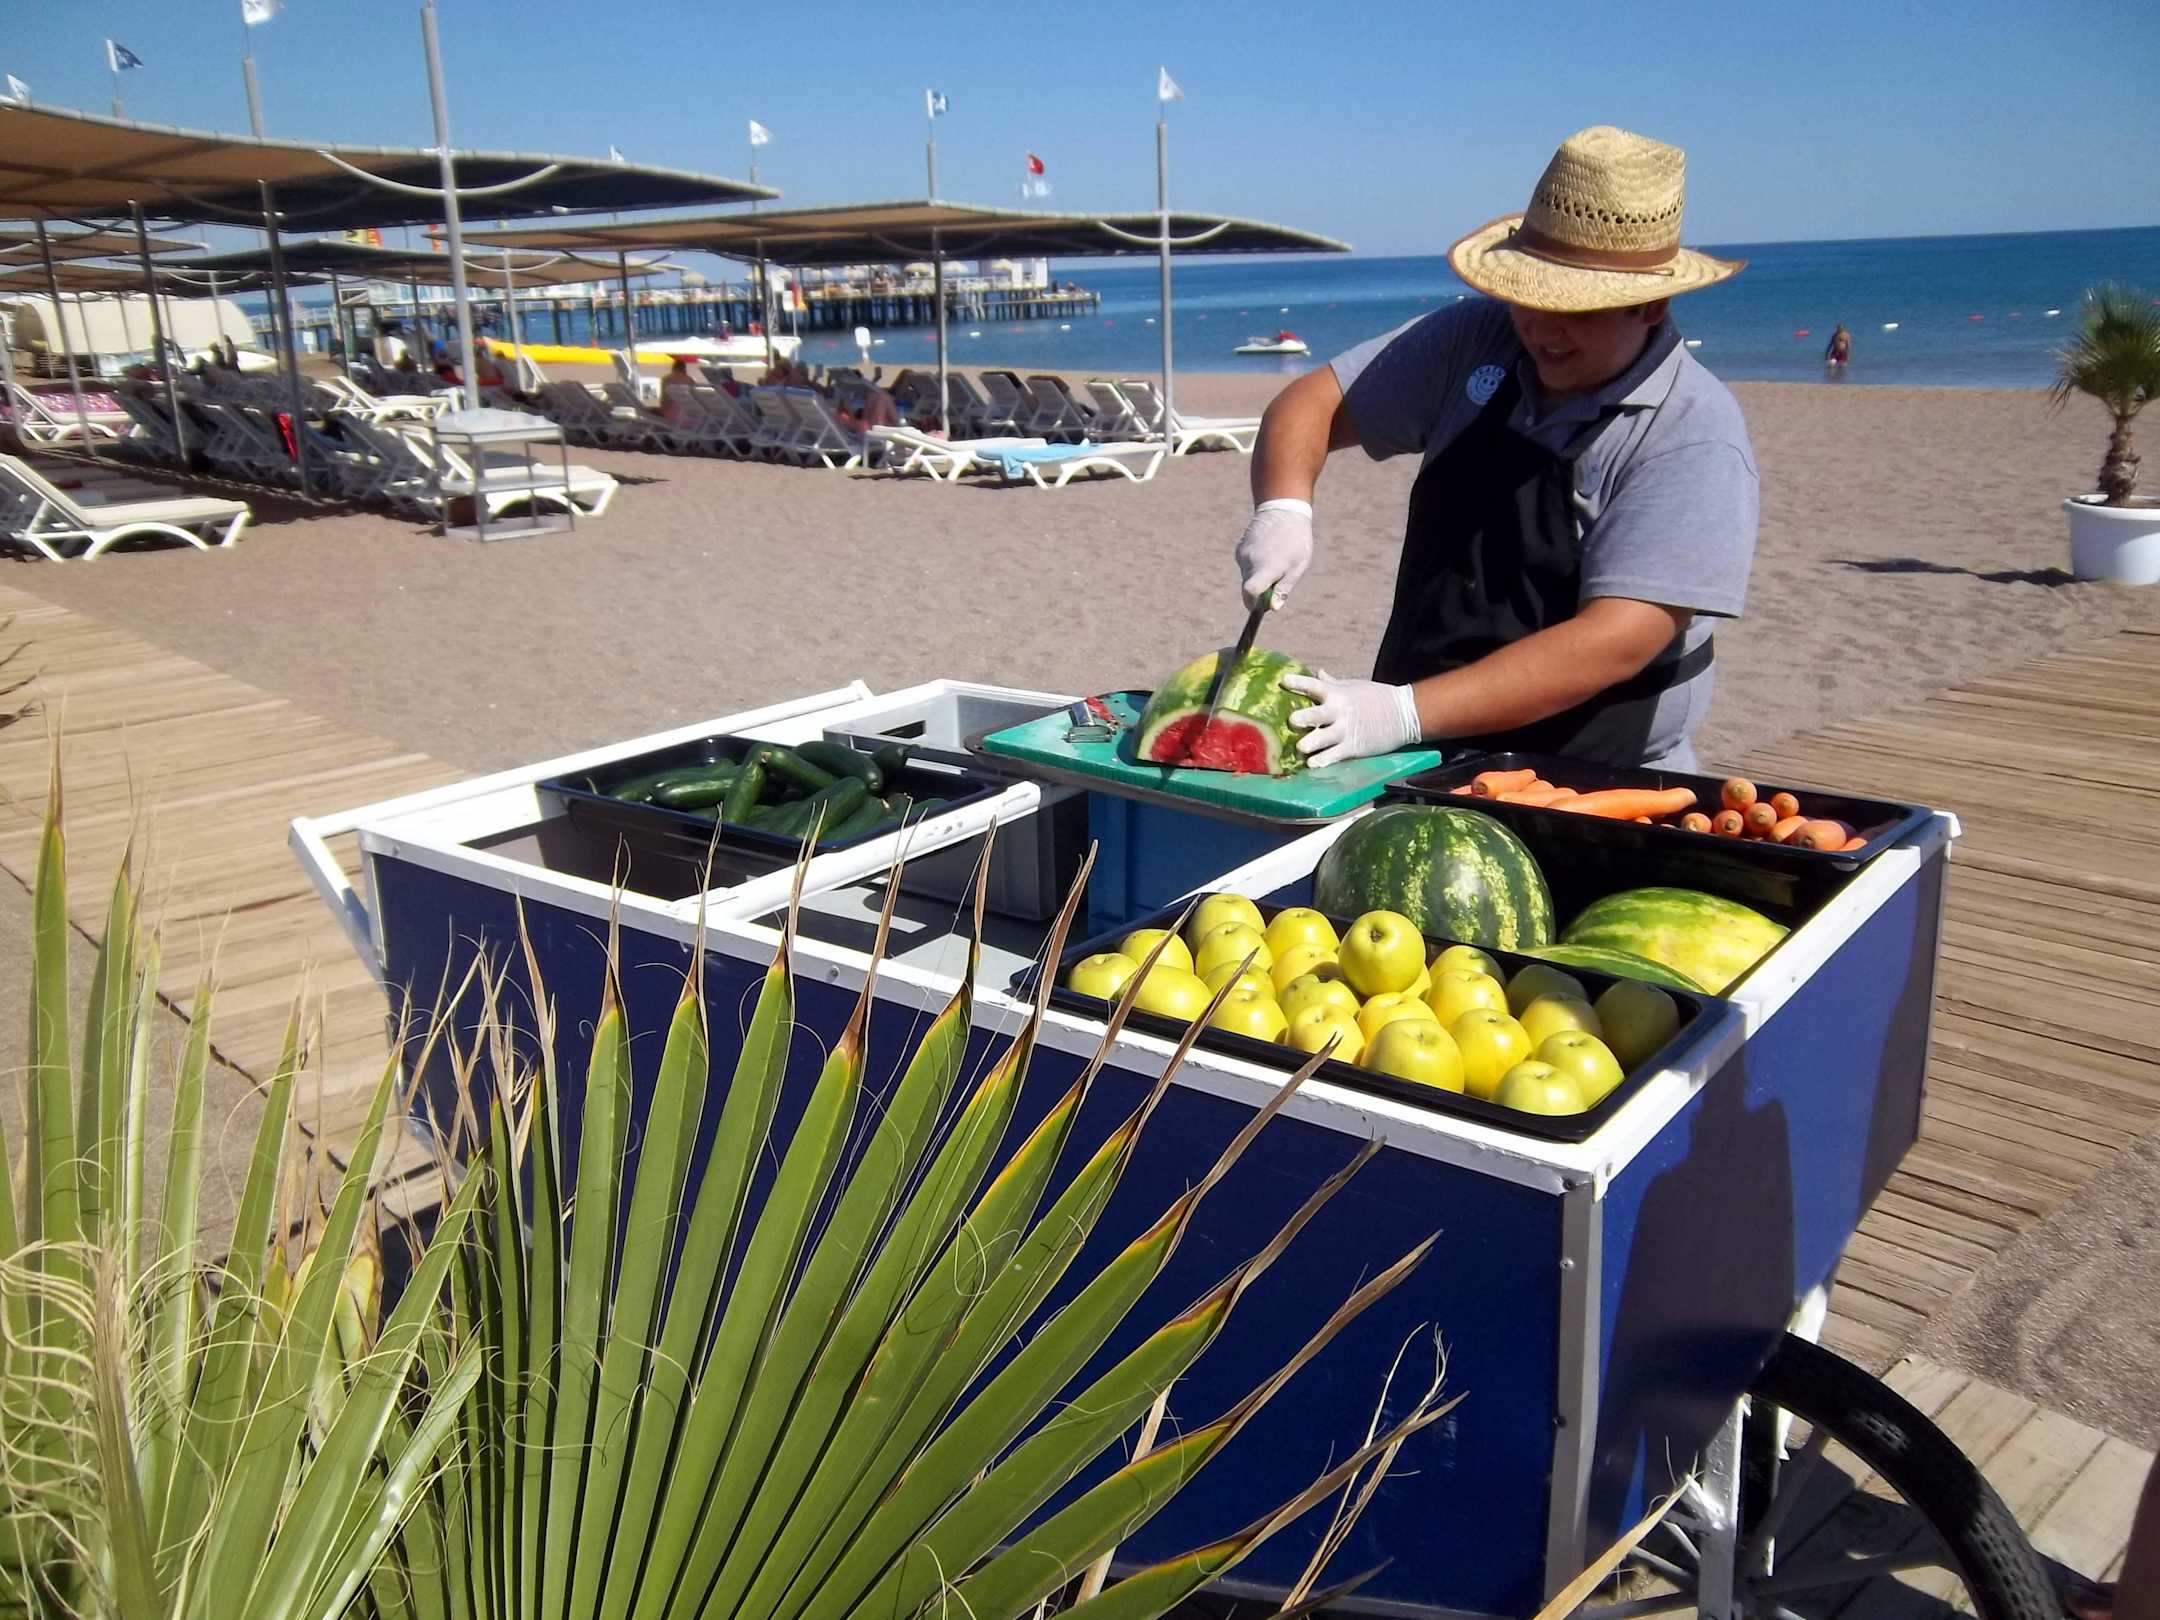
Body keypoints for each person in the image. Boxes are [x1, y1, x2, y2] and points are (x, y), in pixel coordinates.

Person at [1234, 125, 1759, 772]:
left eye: (1578, 311)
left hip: (1591, 772)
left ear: (1650, 306)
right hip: (1421, 747)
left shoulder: (1692, 432)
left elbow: (1621, 637)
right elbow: (1312, 404)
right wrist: (1284, 507)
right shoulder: (1476, 338)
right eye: (1526, 298)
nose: (1541, 329)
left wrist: (1402, 712)